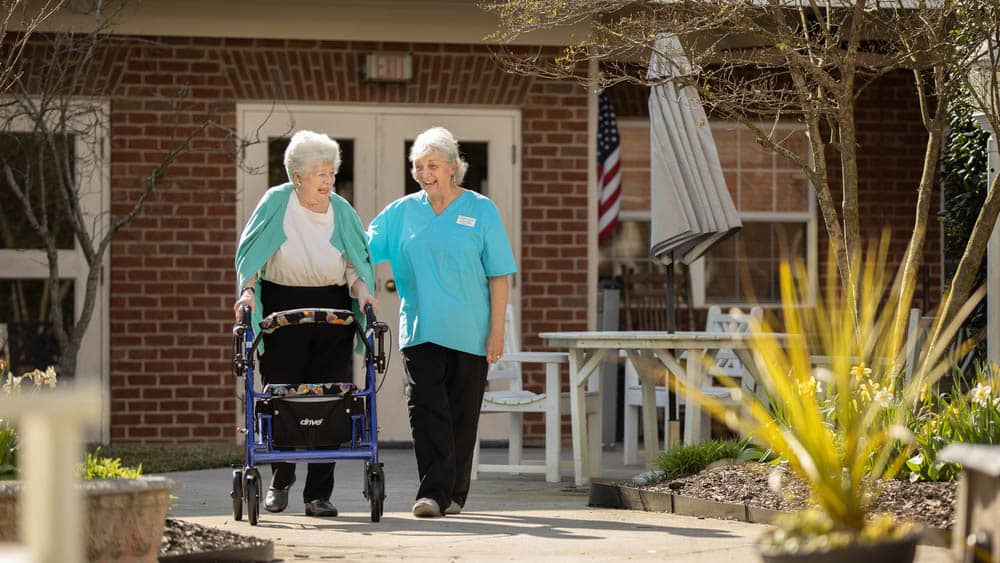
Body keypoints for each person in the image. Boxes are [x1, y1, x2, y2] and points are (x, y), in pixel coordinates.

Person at [367, 126, 517, 518]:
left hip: (470, 330)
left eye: (432, 165)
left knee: (461, 416)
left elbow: (499, 274)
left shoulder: (481, 210)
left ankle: (453, 493)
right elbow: (362, 247)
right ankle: (433, 493)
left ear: (453, 167)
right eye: (418, 165)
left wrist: (496, 331)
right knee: (426, 407)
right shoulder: (402, 213)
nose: (424, 172)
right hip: (420, 328)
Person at [234, 130, 377, 518]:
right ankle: (281, 478)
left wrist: (362, 291)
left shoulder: (342, 211)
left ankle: (318, 494)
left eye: (332, 172)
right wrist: (247, 292)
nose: (329, 181)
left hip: (333, 309)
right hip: (282, 305)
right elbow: (252, 256)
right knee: (283, 392)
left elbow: (355, 263)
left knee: (331, 396)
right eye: (321, 174)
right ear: (298, 176)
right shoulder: (276, 203)